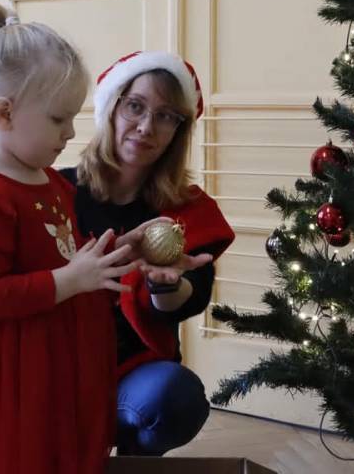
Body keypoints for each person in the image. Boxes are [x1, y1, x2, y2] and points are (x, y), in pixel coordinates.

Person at [0, 1, 139, 474]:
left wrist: (124, 249)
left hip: (50, 363)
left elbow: (63, 257)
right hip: (8, 376)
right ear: (5, 113)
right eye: (58, 119)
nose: (70, 133)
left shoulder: (50, 181)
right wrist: (69, 280)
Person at [61, 51, 235, 456]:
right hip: (59, 366)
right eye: (135, 106)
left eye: (165, 116)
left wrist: (164, 285)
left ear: (178, 129)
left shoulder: (187, 210)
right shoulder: (57, 192)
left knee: (177, 398)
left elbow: (192, 295)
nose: (146, 127)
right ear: (112, 107)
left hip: (133, 373)